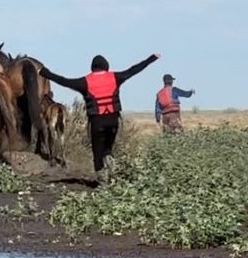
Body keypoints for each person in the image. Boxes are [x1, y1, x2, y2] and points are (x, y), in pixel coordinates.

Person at [40, 52, 160, 181]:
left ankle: (102, 177)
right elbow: (134, 70)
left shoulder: (84, 82)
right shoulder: (115, 77)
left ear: (93, 68)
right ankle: (110, 163)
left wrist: (44, 72)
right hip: (113, 120)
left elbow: (63, 81)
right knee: (108, 147)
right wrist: (151, 58)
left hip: (97, 121)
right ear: (106, 66)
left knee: (97, 150)